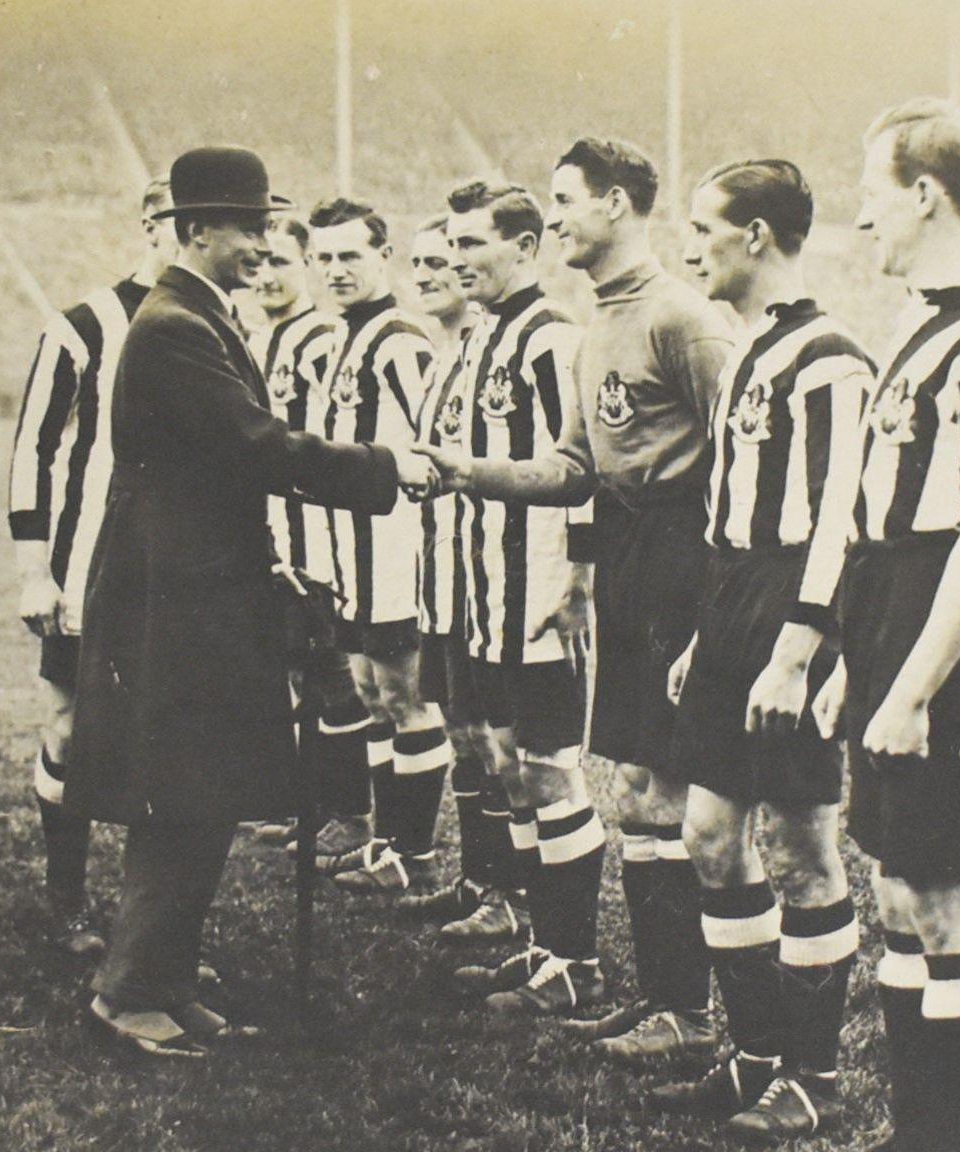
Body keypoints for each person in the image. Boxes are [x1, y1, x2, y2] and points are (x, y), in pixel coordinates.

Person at [66, 146, 434, 1057]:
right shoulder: (175, 327)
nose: (268, 247)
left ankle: (167, 976)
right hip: (176, 595)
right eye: (251, 229)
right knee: (180, 789)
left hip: (202, 585)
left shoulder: (198, 315)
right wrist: (386, 469)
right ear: (198, 231)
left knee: (207, 785)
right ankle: (126, 994)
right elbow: (257, 447)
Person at [420, 137, 732, 1064]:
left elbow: (747, 454)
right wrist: (467, 470)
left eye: (566, 201)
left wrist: (717, 596)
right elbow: (572, 467)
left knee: (672, 792)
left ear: (620, 205)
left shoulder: (684, 319)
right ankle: (664, 1000)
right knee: (636, 788)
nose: (554, 220)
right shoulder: (601, 319)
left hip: (684, 554)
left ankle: (693, 1013)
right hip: (633, 553)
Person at [808, 97, 960, 1152]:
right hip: (890, 612)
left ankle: (955, 1137)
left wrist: (909, 689)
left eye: (870, 196)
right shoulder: (920, 323)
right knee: (894, 887)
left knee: (942, 895)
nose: (862, 222)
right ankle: (917, 1130)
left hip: (941, 627)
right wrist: (855, 656)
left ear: (926, 195)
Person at [642, 159, 870, 1142]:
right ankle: (757, 1053)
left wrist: (796, 647)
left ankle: (811, 1073)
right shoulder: (749, 350)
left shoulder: (830, 359)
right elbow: (730, 515)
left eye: (705, 226)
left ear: (759, 237)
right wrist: (706, 631)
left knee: (799, 844)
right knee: (707, 833)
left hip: (793, 604)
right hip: (733, 598)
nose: (690, 245)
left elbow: (836, 517)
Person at [429, 180, 598, 1011]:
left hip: (537, 588)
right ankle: (540, 943)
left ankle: (575, 960)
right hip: (481, 590)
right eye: (452, 245)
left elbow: (586, 468)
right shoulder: (481, 337)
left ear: (526, 248)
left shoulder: (553, 339)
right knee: (503, 763)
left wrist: (580, 581)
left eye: (472, 244)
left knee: (548, 768)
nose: (457, 259)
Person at [7, 176, 172, 957]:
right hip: (85, 573)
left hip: (176, 576)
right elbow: (32, 451)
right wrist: (33, 569)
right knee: (69, 727)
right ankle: (67, 897)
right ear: (150, 224)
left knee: (167, 741)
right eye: (180, 218)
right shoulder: (84, 325)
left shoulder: (228, 325)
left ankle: (154, 928)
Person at [304, 198, 453, 893]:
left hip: (393, 550)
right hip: (348, 554)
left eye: (350, 256)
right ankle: (388, 843)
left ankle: (411, 852)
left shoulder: (397, 337)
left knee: (403, 694)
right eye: (324, 257)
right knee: (367, 689)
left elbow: (437, 440)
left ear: (381, 257)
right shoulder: (344, 337)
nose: (335, 270)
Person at [247, 214, 378, 862]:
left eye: (283, 263)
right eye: (261, 262)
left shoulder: (324, 337)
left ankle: (354, 813)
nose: (269, 275)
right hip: (280, 526)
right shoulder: (265, 336)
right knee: (301, 669)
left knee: (334, 671)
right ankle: (316, 805)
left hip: (321, 530)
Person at [389, 217, 508, 923]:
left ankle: (512, 896)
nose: (433, 273)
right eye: (424, 261)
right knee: (465, 733)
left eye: (449, 258)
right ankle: (481, 881)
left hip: (487, 578)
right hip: (443, 573)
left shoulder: (498, 354)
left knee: (501, 744)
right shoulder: (447, 356)